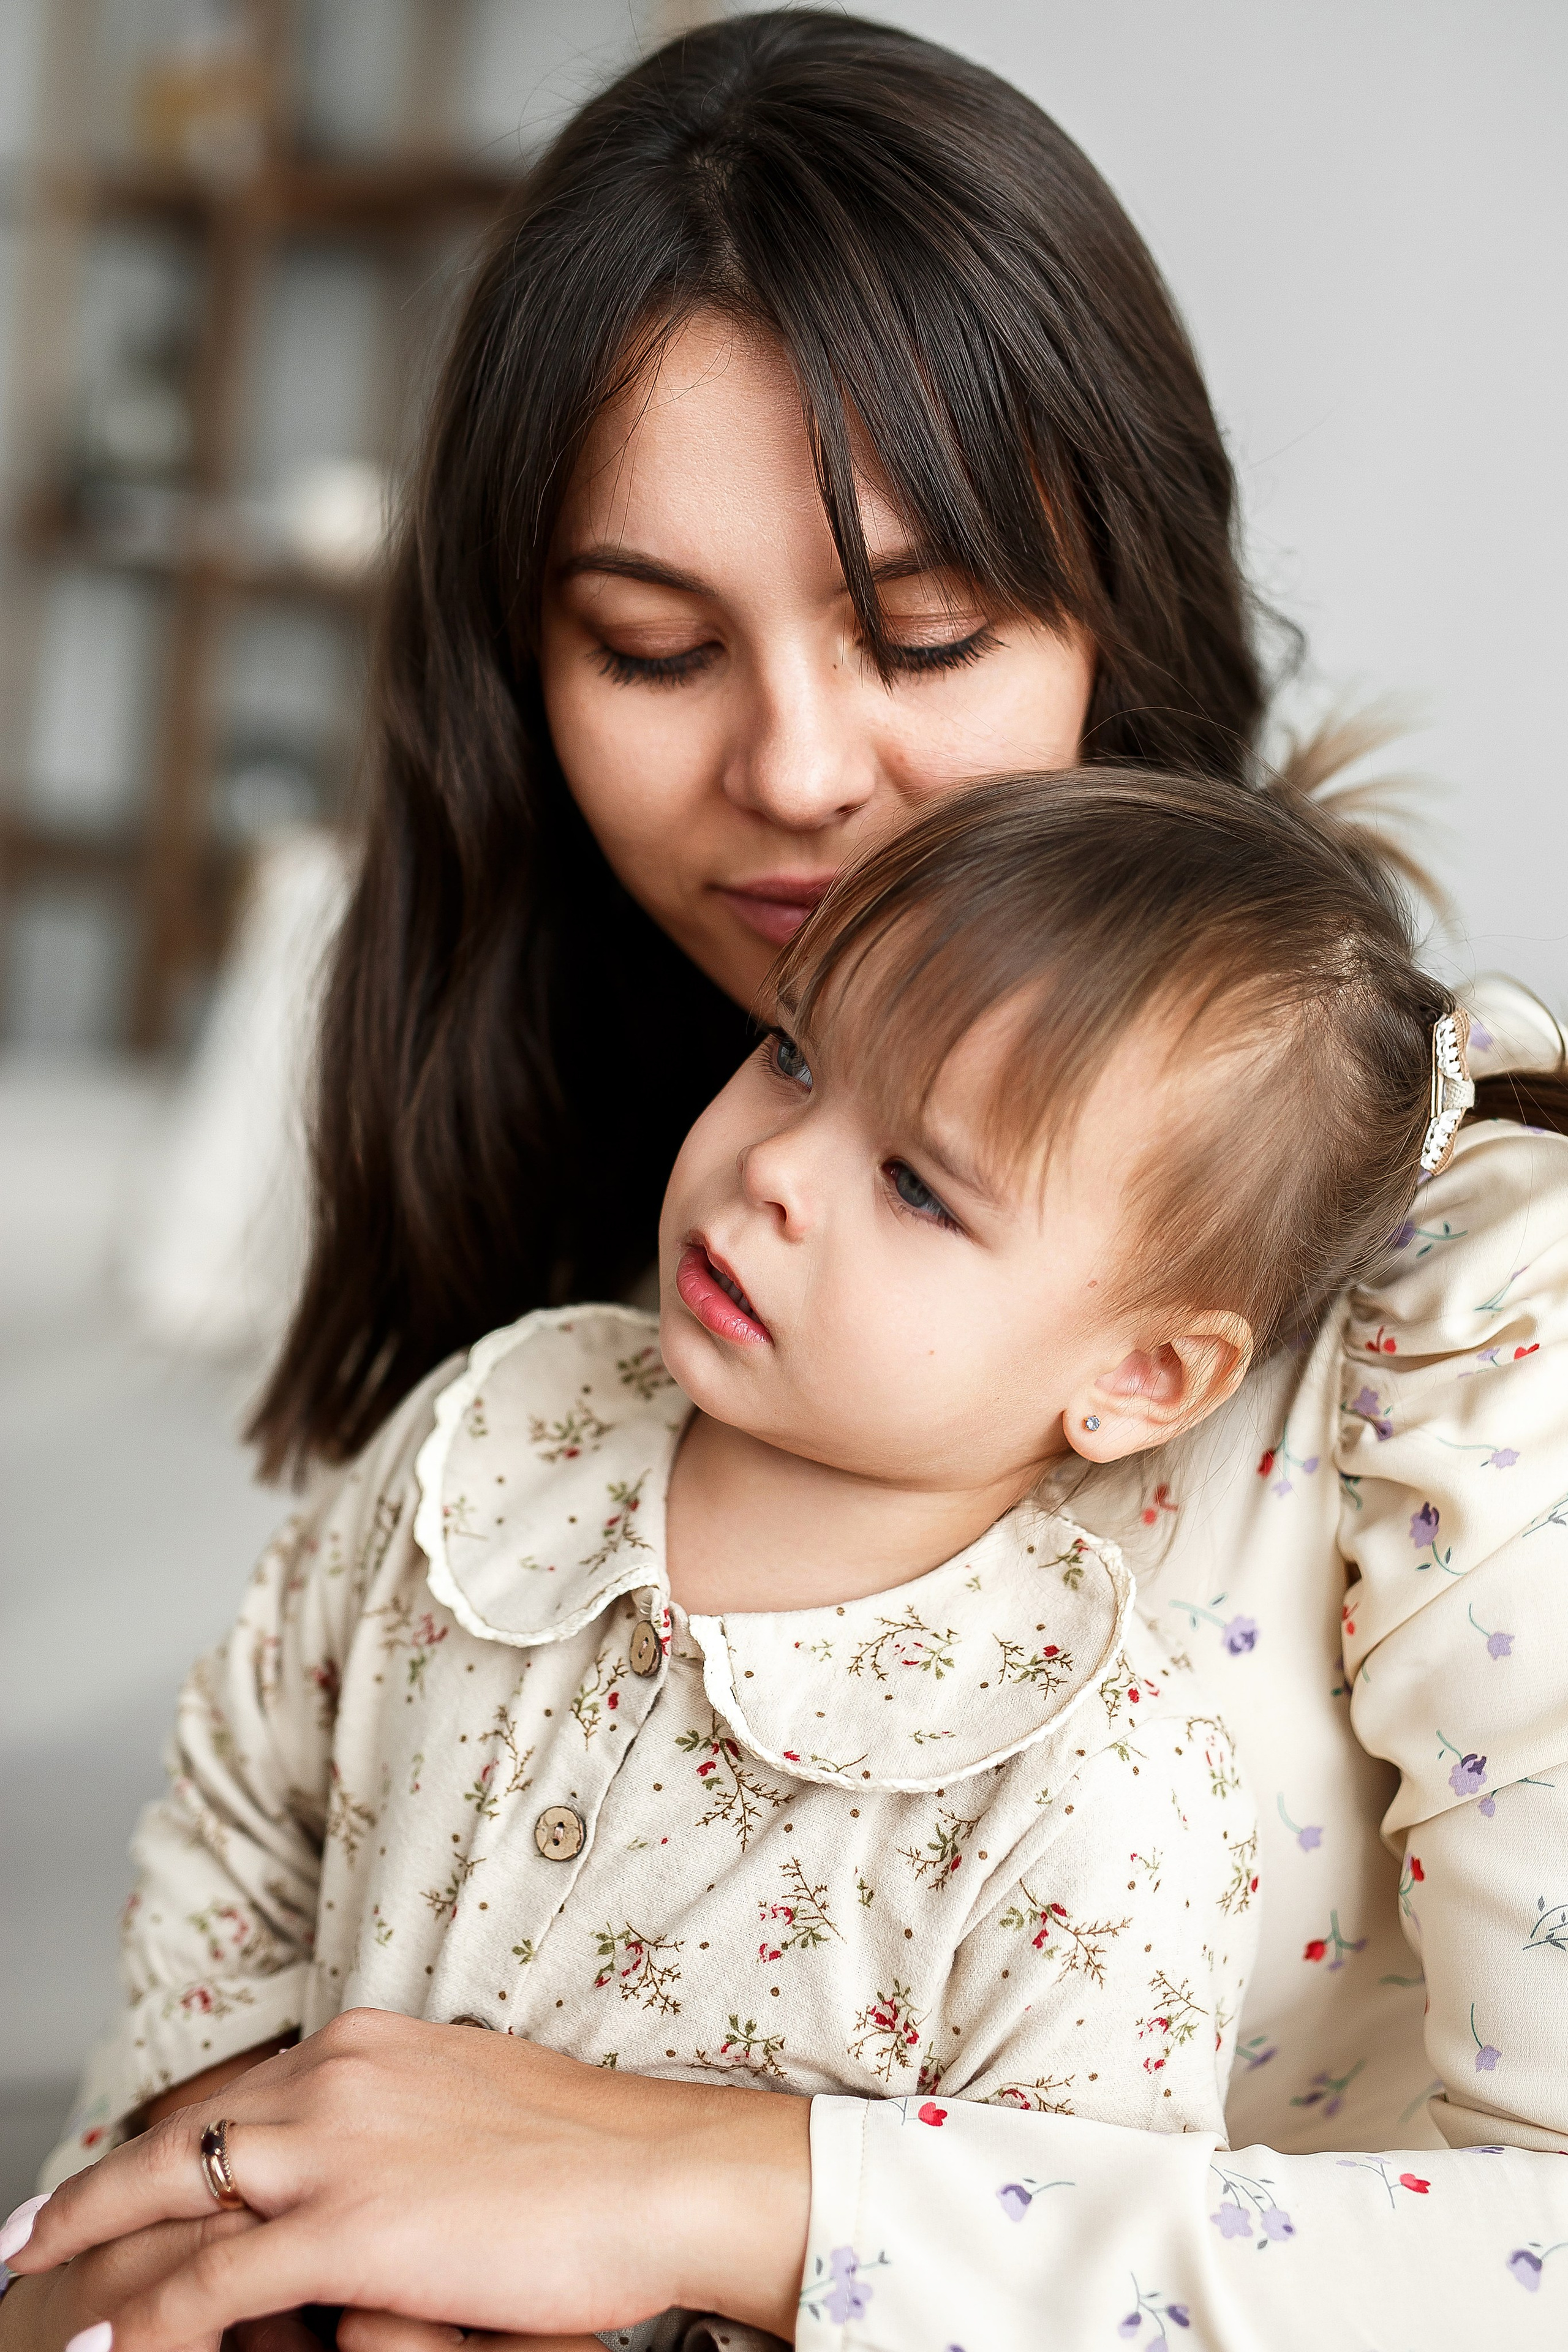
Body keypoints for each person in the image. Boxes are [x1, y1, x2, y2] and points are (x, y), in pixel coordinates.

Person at [5, 11, 1567, 2349]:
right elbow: (240, 1950)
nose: (803, 772)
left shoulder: (1473, 1303)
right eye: (649, 647)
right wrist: (190, 2244)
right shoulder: (638, 1251)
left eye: (923, 633)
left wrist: (714, 2191)